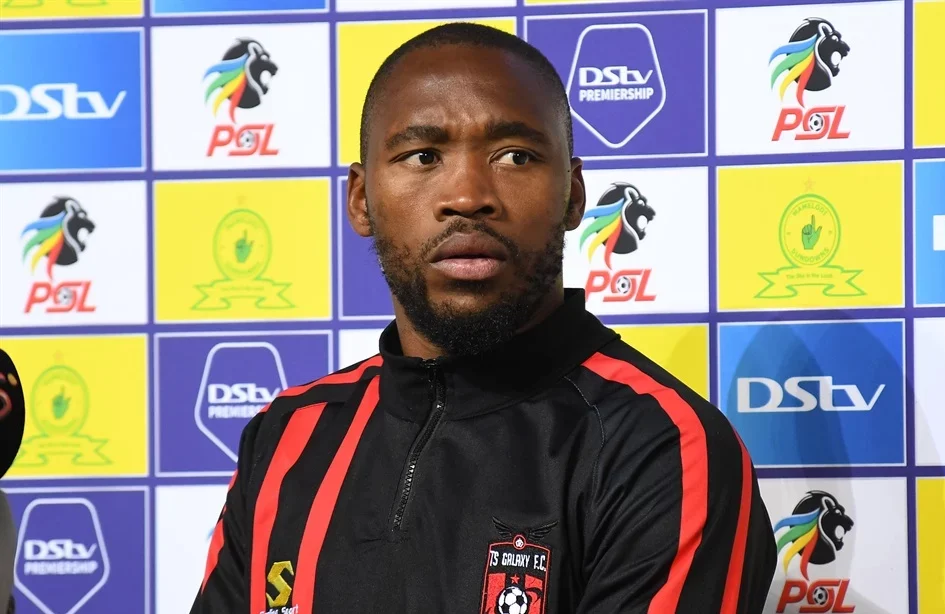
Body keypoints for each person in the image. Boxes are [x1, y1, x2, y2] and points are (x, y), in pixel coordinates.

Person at [191, 22, 777, 614]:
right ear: (362, 200)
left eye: (515, 156)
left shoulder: (663, 448)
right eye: (423, 156)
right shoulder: (287, 437)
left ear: (574, 196)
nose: (469, 196)